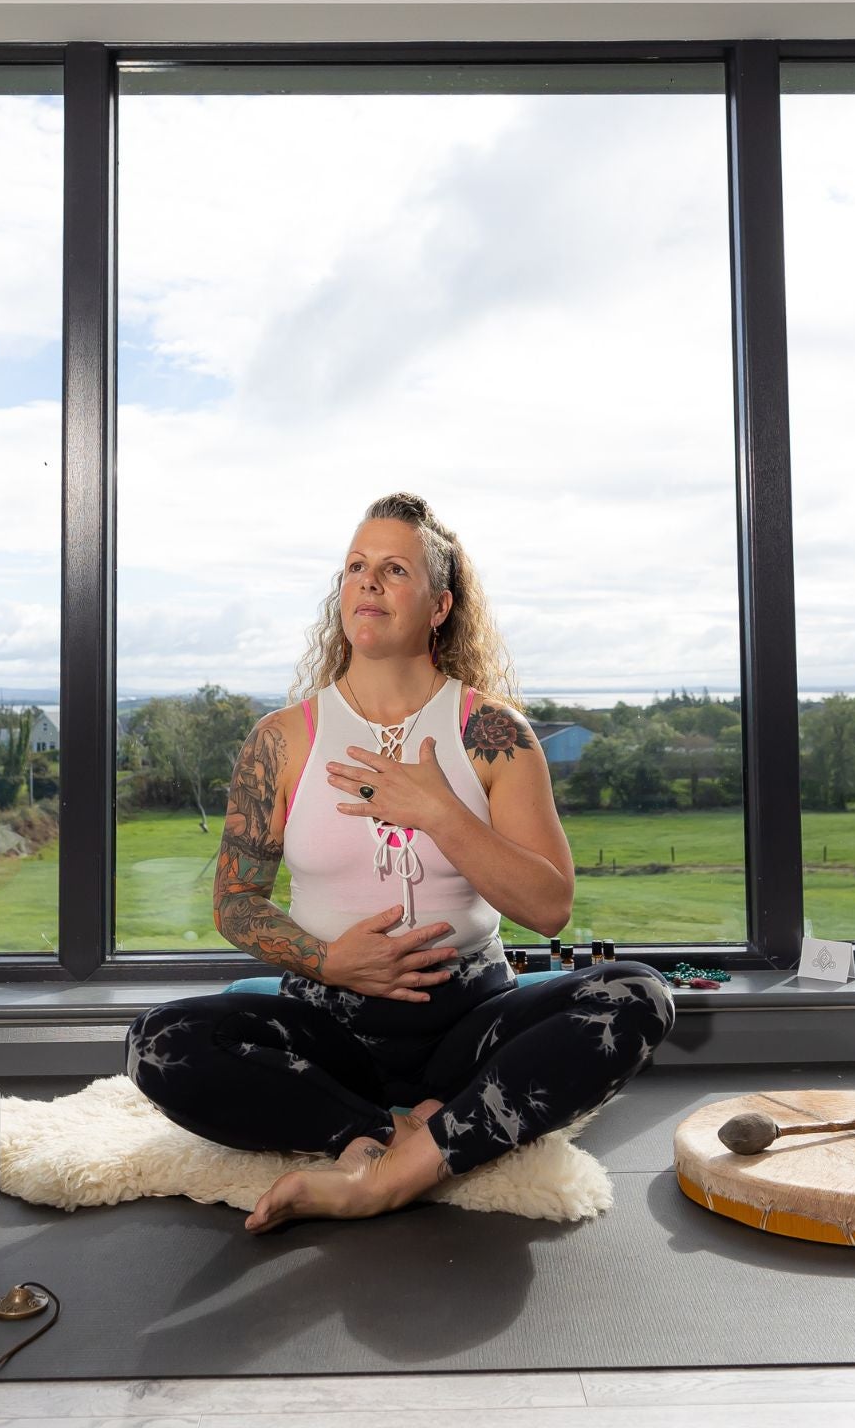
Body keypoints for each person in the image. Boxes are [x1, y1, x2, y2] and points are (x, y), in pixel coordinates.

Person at [123, 490, 676, 1232]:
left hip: (469, 1022)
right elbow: (235, 902)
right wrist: (328, 961)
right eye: (355, 566)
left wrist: (440, 811)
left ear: (441, 605)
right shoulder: (281, 740)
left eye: (394, 569)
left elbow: (549, 907)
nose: (367, 582)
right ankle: (370, 1137)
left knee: (637, 996)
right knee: (156, 1043)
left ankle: (399, 1172)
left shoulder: (492, 733)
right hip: (329, 1027)